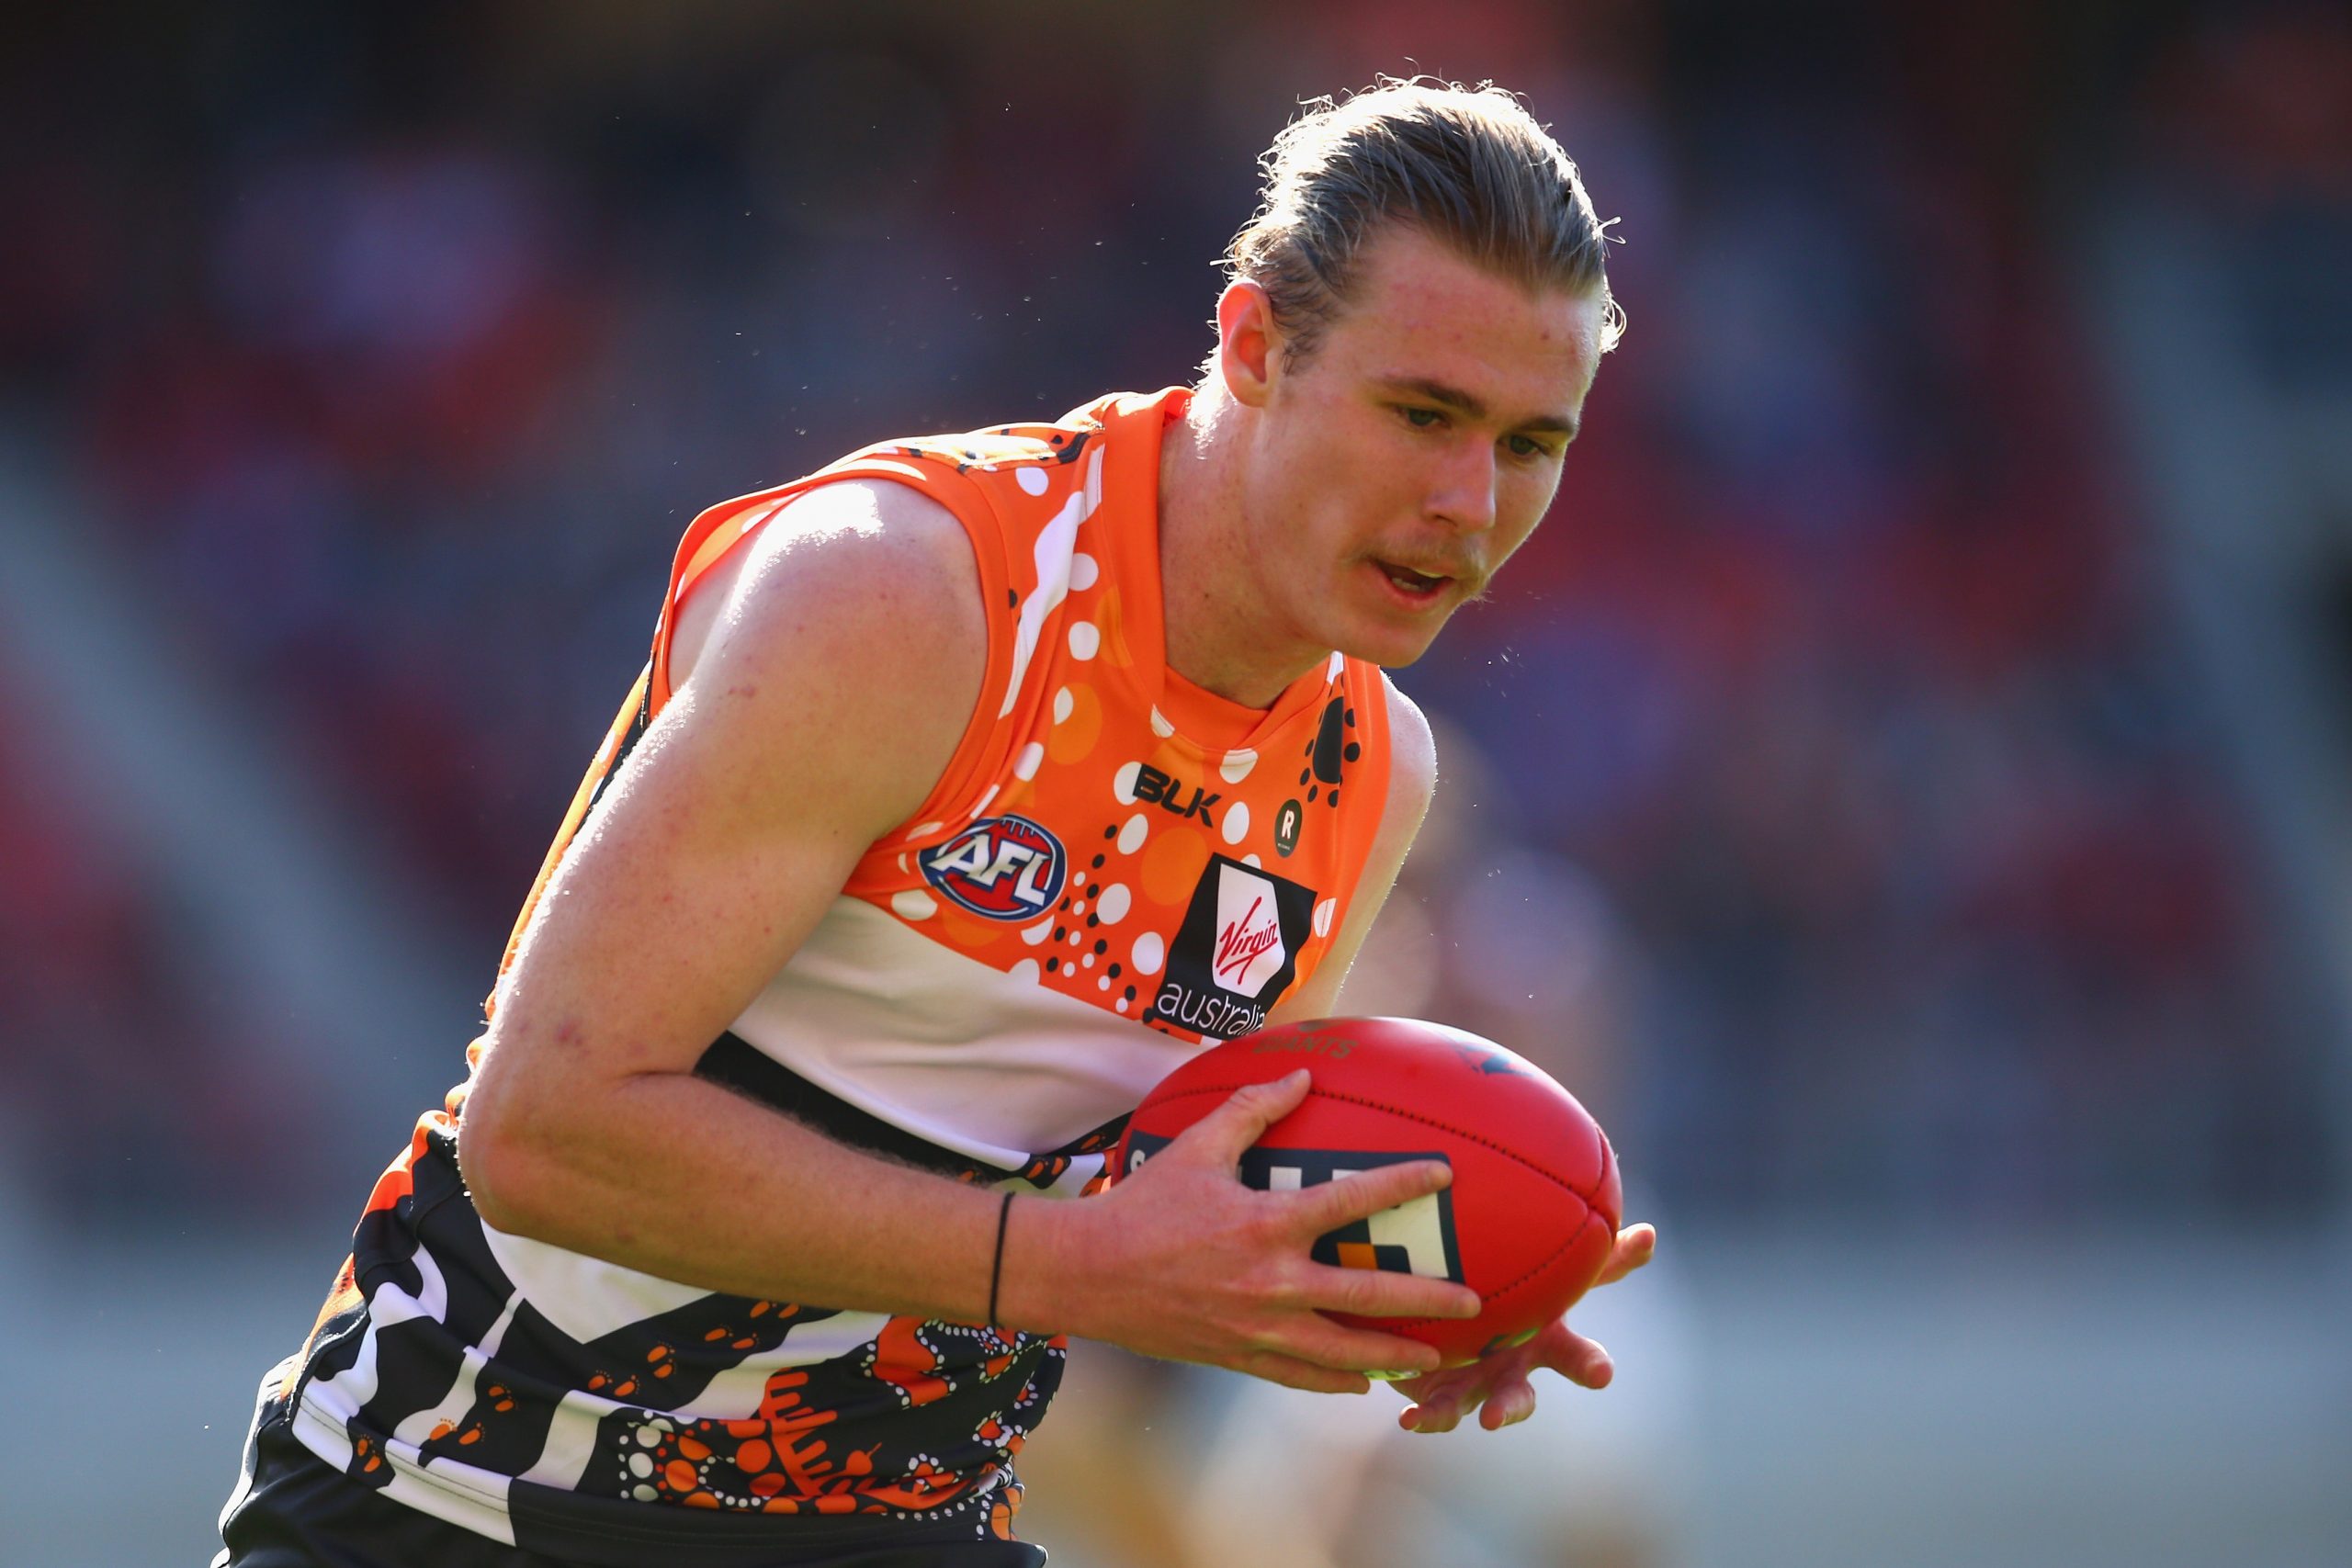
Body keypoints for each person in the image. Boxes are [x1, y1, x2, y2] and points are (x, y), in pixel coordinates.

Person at [215, 77, 1657, 1568]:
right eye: (1422, 413)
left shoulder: (1373, 776)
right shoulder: (911, 595)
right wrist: (1073, 1265)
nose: (1468, 501)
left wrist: (1412, 1296)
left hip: (900, 1531)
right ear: (1254, 344)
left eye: (1529, 445)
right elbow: (545, 1131)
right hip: (459, 1505)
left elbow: (1142, 1230)